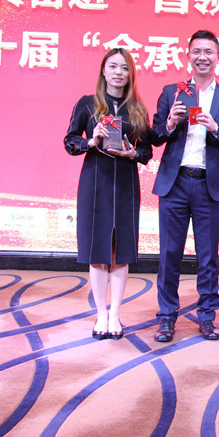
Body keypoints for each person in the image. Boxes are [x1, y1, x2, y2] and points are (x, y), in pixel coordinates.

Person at [151, 30, 219, 342]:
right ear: (188, 55)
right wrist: (169, 123)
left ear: (218, 57)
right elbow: (154, 136)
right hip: (175, 183)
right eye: (197, 51)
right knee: (169, 255)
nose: (202, 57)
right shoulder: (172, 92)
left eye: (209, 52)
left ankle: (207, 317)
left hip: (208, 186)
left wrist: (216, 128)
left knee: (208, 257)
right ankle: (166, 318)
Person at [64, 47, 153, 340]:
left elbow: (146, 151)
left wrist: (132, 153)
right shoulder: (87, 104)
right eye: (113, 66)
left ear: (131, 74)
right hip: (95, 182)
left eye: (125, 68)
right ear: (103, 70)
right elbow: (70, 141)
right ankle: (100, 314)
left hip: (126, 183)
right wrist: (91, 141)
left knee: (120, 250)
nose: (118, 72)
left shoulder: (137, 109)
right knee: (97, 249)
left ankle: (115, 313)